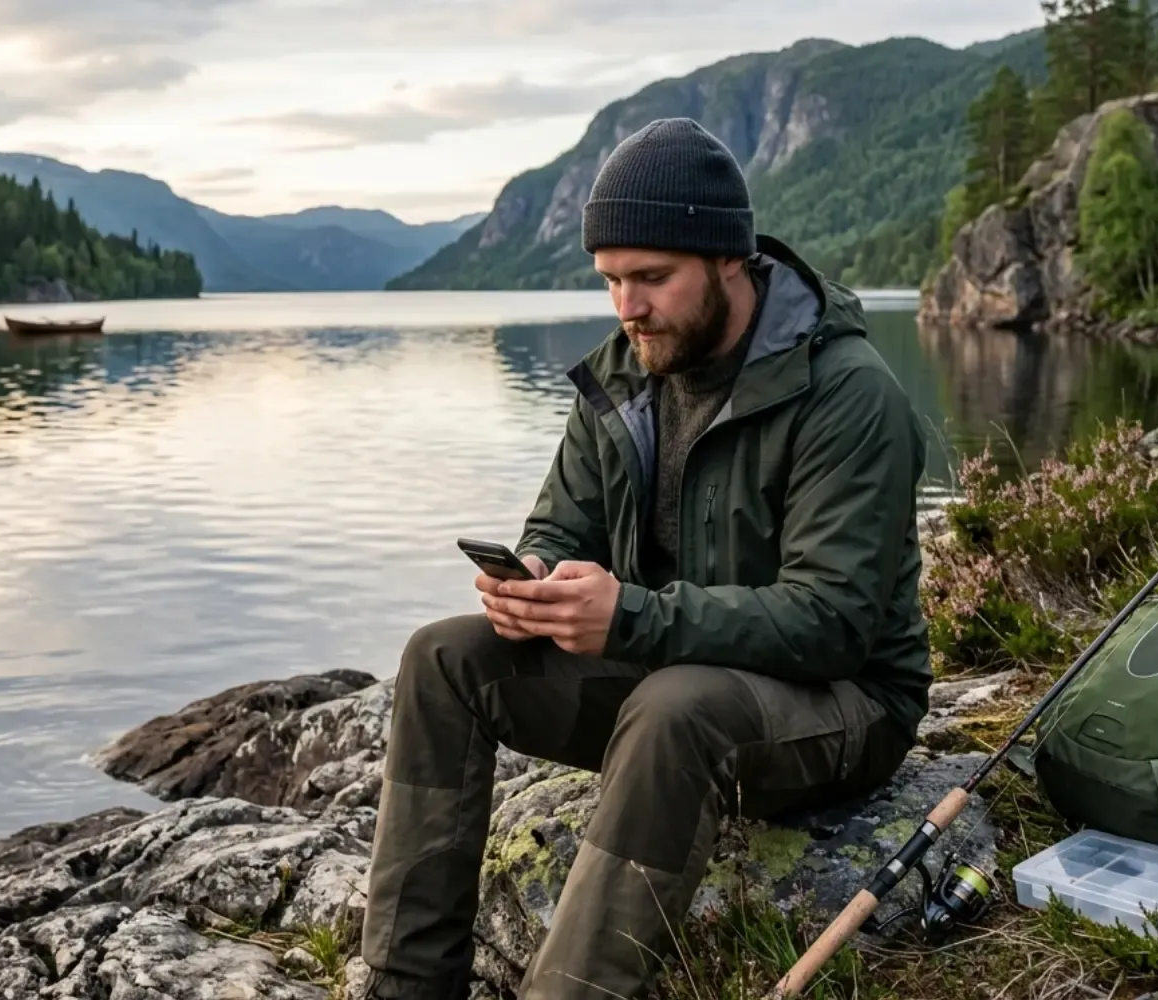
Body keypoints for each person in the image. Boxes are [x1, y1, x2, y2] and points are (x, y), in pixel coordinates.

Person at [357, 117, 933, 1000]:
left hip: (843, 707)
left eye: (652, 279)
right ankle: (407, 986)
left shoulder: (847, 392)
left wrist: (630, 616)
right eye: (612, 280)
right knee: (444, 658)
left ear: (729, 260)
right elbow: (560, 526)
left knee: (675, 707)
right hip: (675, 673)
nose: (628, 307)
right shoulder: (621, 376)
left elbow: (836, 624)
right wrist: (539, 586)